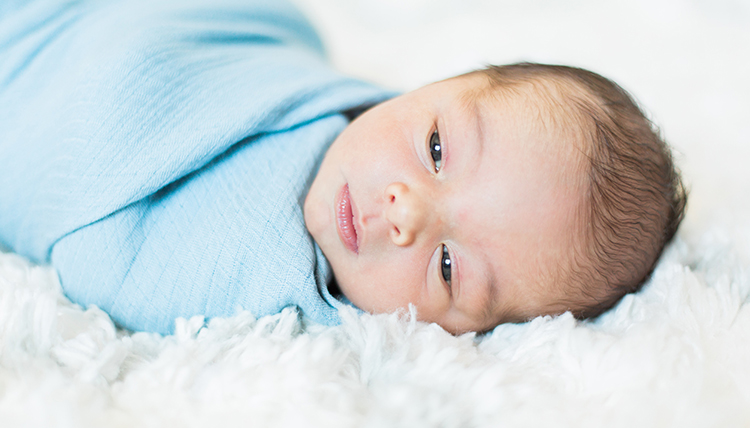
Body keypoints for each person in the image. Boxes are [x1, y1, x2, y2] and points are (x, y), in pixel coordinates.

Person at [0, 0, 685, 335]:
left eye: (449, 268)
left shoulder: (277, 302)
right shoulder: (299, 75)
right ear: (423, 89)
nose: (406, 210)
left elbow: (97, 256)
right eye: (438, 149)